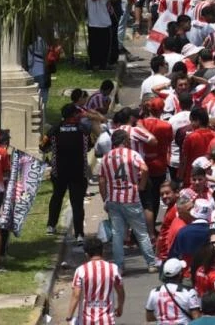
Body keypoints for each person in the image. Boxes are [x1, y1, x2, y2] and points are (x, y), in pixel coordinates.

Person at [99, 128, 158, 272]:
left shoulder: (106, 157)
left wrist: (105, 199)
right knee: (141, 232)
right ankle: (151, 263)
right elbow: (144, 169)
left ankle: (119, 266)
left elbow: (101, 180)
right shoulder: (132, 154)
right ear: (125, 141)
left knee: (117, 234)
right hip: (131, 197)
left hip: (113, 198)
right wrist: (141, 185)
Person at [43, 102, 91, 237]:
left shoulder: (54, 130)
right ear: (73, 115)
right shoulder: (83, 130)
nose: (79, 115)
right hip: (78, 172)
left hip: (59, 172)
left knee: (57, 197)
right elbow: (89, 147)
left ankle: (51, 226)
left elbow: (43, 146)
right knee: (77, 203)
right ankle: (79, 234)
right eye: (77, 113)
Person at [67, 236, 124, 325]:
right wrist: (120, 307)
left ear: (87, 254)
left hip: (86, 321)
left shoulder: (81, 270)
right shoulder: (113, 268)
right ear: (102, 251)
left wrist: (69, 316)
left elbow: (76, 295)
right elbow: (120, 292)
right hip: (107, 320)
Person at [146, 258, 202, 324]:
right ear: (180, 273)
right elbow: (196, 317)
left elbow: (149, 317)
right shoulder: (189, 292)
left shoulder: (154, 292)